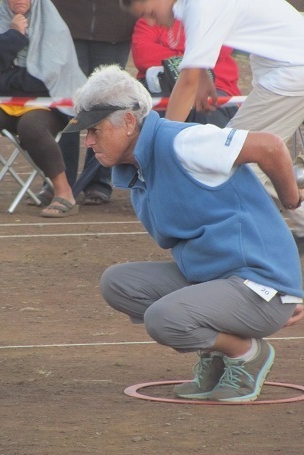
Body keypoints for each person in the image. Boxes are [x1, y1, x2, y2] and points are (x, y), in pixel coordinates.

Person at [63, 64, 304, 402]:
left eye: (95, 131)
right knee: (118, 284)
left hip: (260, 283)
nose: (88, 142)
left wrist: (291, 200)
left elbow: (270, 146)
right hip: (218, 278)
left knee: (164, 318)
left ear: (129, 122)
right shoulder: (136, 167)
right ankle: (216, 354)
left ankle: (246, 352)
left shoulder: (184, 141)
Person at [120, 0, 304, 238]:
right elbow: (203, 49)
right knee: (240, 156)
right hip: (286, 67)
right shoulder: (192, 6)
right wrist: (203, 76)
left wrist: (161, 139)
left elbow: (186, 82)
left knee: (237, 157)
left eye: (150, 13)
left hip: (291, 71)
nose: (152, 22)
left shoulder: (199, 6)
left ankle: (252, 237)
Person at [0, 0, 85, 218]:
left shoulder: (53, 25)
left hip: (45, 102)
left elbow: (45, 80)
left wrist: (2, 78)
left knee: (31, 127)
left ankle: (64, 193)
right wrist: (13, 35)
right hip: (1, 101)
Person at [51, 0, 137, 205]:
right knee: (66, 107)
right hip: (66, 25)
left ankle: (99, 181)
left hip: (116, 27)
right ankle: (60, 181)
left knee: (107, 106)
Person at [132, 17, 241, 127]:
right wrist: (193, 55)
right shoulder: (154, 15)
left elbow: (218, 50)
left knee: (206, 109)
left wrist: (175, 56)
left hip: (216, 86)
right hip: (163, 86)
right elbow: (143, 55)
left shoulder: (214, 17)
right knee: (154, 113)